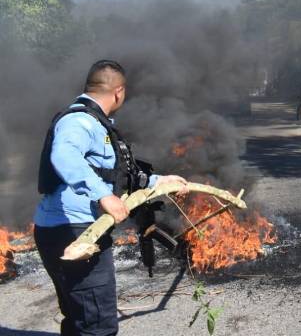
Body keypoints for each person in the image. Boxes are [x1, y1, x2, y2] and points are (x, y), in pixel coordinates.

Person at [34, 60, 188, 336]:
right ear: (119, 92)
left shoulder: (97, 124)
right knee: (98, 325)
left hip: (69, 230)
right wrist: (103, 195)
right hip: (77, 234)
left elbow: (115, 175)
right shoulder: (79, 121)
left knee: (80, 317)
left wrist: (160, 181)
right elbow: (64, 155)